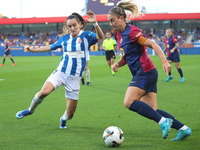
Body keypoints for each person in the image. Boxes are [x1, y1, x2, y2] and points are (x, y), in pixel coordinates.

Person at [109, 0, 191, 141]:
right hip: (147, 73)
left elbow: (152, 44)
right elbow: (127, 57)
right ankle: (183, 129)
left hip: (145, 72)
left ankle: (163, 122)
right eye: (109, 22)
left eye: (112, 21)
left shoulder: (132, 32)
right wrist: (118, 64)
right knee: (152, 110)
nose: (111, 24)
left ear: (121, 18)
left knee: (128, 101)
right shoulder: (118, 34)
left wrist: (164, 61)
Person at [15, 11, 104, 129]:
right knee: (43, 92)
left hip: (74, 78)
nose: (72, 28)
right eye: (70, 26)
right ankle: (30, 110)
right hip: (60, 72)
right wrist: (33, 50)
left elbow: (100, 37)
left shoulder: (86, 36)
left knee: (70, 114)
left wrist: (95, 23)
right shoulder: (64, 39)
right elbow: (50, 47)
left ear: (80, 24)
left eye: (74, 25)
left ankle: (63, 119)